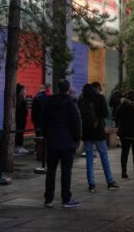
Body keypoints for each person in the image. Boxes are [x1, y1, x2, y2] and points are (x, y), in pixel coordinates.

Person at [43, 79, 82, 208]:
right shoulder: (71, 103)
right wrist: (76, 140)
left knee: (51, 171)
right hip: (67, 142)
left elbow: (44, 119)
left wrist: (46, 135)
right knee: (66, 172)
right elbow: (76, 123)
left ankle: (48, 199)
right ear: (68, 88)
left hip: (53, 141)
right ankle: (66, 199)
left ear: (58, 88)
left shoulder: (49, 101)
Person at [78, 83, 121, 192]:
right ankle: (110, 181)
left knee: (89, 158)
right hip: (98, 132)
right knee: (104, 157)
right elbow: (105, 113)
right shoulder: (99, 98)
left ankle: (91, 184)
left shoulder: (82, 100)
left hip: (87, 133)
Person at [15, 84, 28, 154]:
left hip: (21, 118)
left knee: (20, 133)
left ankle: (20, 146)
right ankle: (18, 146)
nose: (25, 91)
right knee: (19, 133)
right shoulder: (19, 98)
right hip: (20, 119)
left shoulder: (20, 97)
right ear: (21, 90)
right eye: (24, 89)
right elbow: (20, 109)